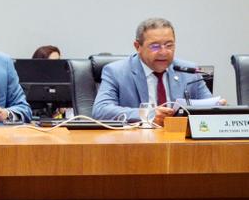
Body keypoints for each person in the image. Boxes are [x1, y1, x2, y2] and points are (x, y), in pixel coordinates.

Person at [91, 17, 220, 125]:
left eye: (169, 45)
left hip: (179, 140)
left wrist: (218, 107)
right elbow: (101, 111)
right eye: (155, 46)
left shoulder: (188, 72)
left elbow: (209, 107)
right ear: (138, 46)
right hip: (137, 141)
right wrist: (148, 115)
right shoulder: (116, 72)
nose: (163, 52)